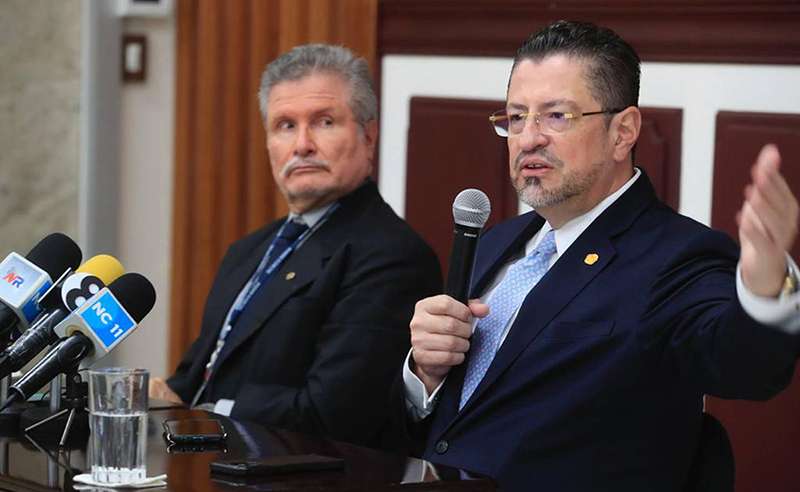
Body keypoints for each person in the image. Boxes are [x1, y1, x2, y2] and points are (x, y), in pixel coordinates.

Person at [401, 20, 800, 490]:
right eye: (515, 116)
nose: (527, 138)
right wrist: (424, 374)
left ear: (623, 131)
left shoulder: (676, 256)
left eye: (556, 116)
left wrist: (766, 285)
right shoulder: (493, 243)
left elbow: (746, 367)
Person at [149, 44, 442, 448]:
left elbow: (334, 413)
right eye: (285, 125)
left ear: (368, 136)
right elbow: (201, 372)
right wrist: (156, 397)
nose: (302, 144)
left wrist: (204, 412)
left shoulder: (392, 256)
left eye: (323, 122)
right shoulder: (247, 251)